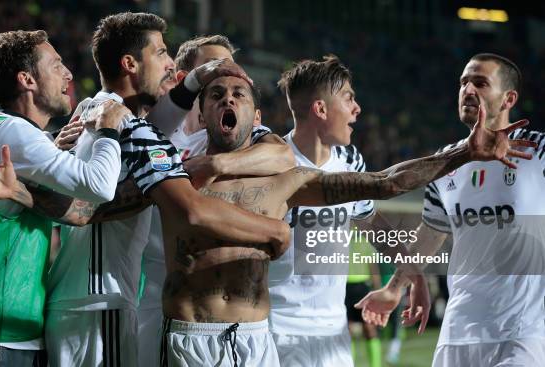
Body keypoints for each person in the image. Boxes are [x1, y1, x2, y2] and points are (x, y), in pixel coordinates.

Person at [0, 14, 289, 367]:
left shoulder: (104, 112)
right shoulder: (108, 119)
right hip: (99, 301)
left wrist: (199, 79)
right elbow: (94, 202)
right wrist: (272, 230)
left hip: (96, 301)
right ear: (130, 63)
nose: (170, 65)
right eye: (160, 53)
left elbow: (152, 126)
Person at [156, 71, 530, 366]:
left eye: (239, 94)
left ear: (255, 115)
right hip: (253, 330)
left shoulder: (306, 174)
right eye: (349, 98)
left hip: (293, 335)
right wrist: (271, 229)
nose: (357, 110)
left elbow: (385, 187)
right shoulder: (192, 168)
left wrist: (464, 153)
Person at [0, 30, 125, 365]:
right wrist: (109, 131)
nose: (68, 74)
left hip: (2, 336)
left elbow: (74, 209)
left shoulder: (6, 132)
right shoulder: (12, 133)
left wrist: (51, 145)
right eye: (56, 65)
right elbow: (100, 186)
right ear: (27, 79)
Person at [356, 53, 544, 367]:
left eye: (480, 83)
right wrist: (394, 288)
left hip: (524, 332)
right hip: (458, 333)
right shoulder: (445, 162)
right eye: (463, 82)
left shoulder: (537, 151)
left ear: (509, 98)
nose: (468, 90)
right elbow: (431, 234)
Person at [137, 34, 294, 367]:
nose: (228, 73)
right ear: (188, 79)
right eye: (215, 67)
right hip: (158, 306)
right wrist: (273, 232)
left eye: (233, 67)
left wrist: (216, 164)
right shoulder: (157, 134)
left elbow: (283, 155)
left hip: (235, 320)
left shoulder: (239, 141)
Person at [267, 55, 428, 367]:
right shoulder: (272, 162)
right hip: (278, 330)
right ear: (321, 109)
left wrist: (414, 274)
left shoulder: (350, 160)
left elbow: (369, 222)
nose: (358, 109)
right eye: (349, 98)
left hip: (334, 332)